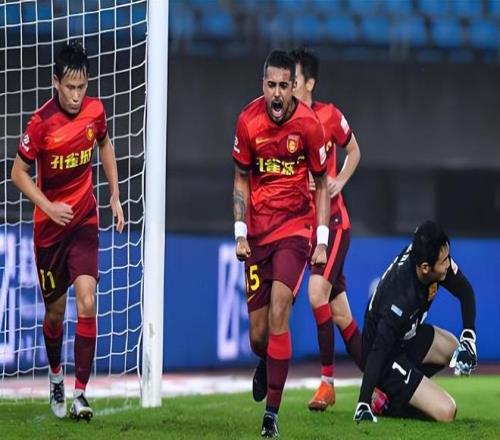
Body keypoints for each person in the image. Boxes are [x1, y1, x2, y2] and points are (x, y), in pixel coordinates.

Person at [11, 41, 124, 421]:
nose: (77, 95)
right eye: (70, 87)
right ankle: (57, 376)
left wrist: (114, 195)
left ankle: (80, 394)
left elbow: (105, 145)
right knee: (55, 314)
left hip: (84, 220)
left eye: (82, 87)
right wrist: (47, 206)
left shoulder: (95, 111)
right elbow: (17, 172)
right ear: (56, 82)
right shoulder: (40, 123)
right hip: (49, 230)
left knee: (88, 300)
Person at [232, 50, 330, 437]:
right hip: (258, 233)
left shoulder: (309, 125)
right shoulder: (247, 121)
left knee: (278, 311)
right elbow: (241, 179)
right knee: (259, 336)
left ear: (293, 87)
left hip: (294, 229)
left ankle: (270, 415)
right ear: (263, 84)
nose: (276, 93)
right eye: (270, 85)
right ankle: (267, 361)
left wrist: (321, 239)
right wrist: (240, 232)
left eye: (283, 86)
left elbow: (321, 184)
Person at [289, 48, 363, 411]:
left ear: (309, 83)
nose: (288, 85)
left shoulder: (329, 115)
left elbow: (355, 151)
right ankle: (382, 384)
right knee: (342, 317)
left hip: (332, 223)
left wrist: (339, 181)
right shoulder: (285, 122)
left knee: (316, 294)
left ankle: (327, 383)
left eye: (294, 79)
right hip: (304, 227)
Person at [353, 220, 477, 423]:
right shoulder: (400, 296)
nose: (448, 264)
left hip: (406, 338)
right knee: (447, 411)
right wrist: (363, 402)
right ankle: (388, 401)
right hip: (386, 358)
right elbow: (378, 350)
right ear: (426, 268)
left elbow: (465, 291)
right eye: (444, 261)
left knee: (455, 348)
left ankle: (406, 389)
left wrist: (469, 337)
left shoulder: (427, 257)